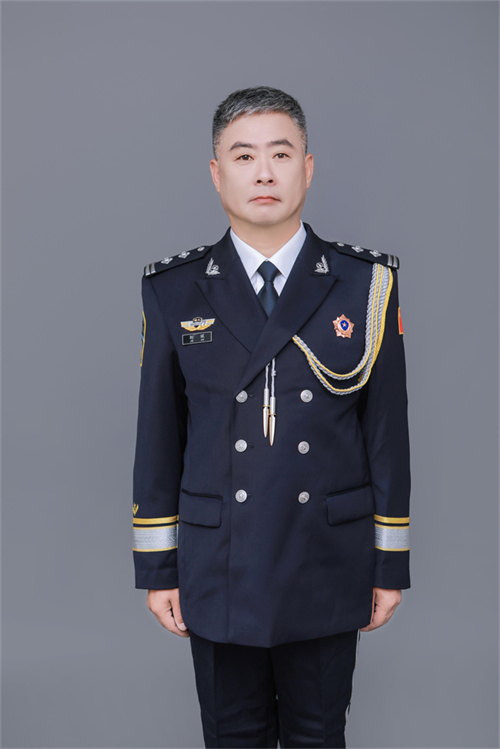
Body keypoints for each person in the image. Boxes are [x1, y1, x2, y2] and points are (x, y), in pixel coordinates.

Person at [132, 85, 411, 748]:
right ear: (216, 173)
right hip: (219, 562)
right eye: (244, 156)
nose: (264, 173)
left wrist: (388, 564)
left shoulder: (365, 284)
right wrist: (159, 567)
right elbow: (158, 436)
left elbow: (386, 434)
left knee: (319, 736)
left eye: (280, 155)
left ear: (307, 168)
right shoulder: (173, 290)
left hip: (327, 559)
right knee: (232, 738)